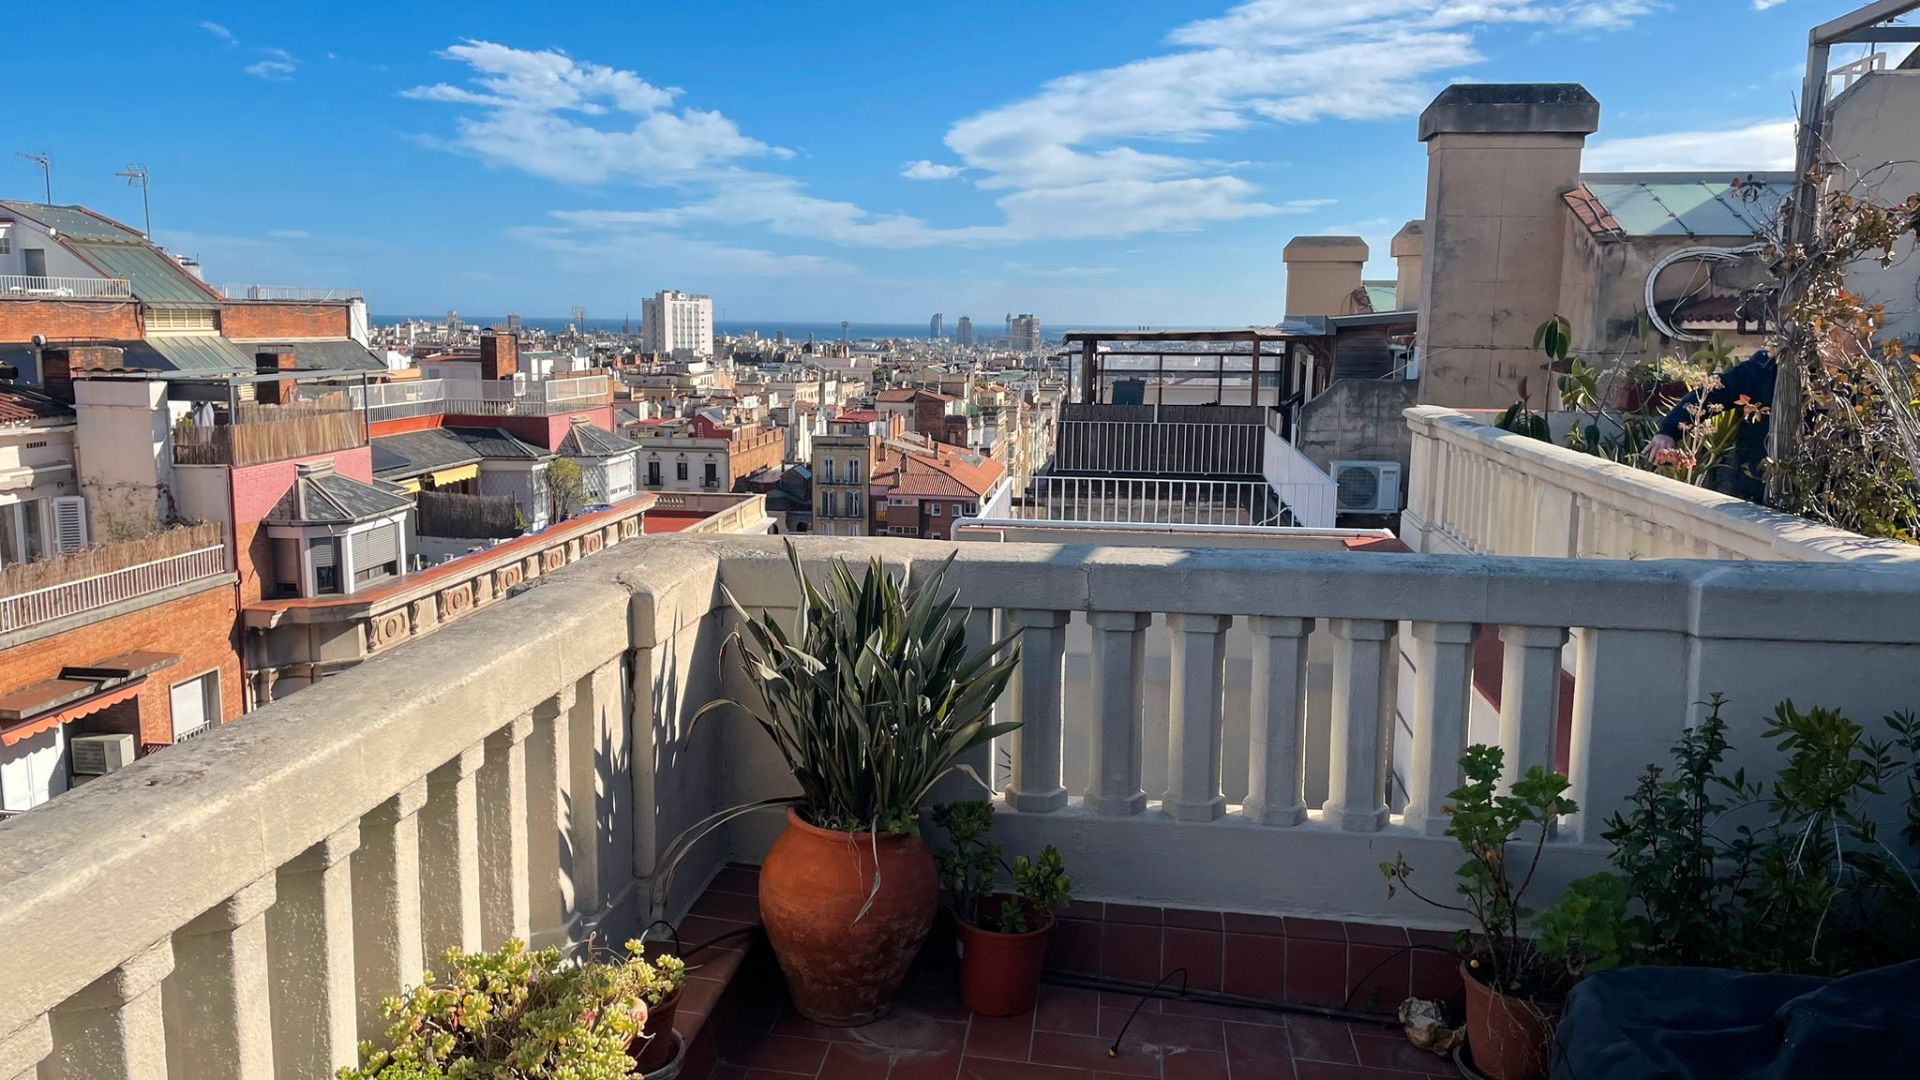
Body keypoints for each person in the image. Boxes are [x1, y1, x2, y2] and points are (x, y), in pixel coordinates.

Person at [1647, 349, 1775, 501]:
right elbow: (1714, 392)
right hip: (1754, 485)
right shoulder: (1765, 367)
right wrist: (1669, 430)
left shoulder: (1809, 377)